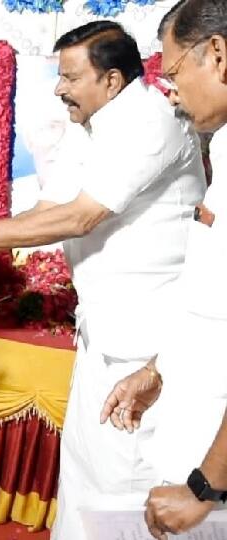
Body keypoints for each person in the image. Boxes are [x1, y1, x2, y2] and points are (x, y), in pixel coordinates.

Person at [0, 21, 206, 540]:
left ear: (111, 80)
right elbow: (50, 209)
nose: (58, 88)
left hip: (147, 346)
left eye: (69, 76)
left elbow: (82, 218)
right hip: (102, 335)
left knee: (127, 483)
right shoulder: (90, 124)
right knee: (84, 475)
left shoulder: (149, 119)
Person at [95, 1, 227, 537]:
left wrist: (206, 487)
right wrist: (159, 367)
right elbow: (210, 297)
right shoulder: (223, 147)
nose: (170, 91)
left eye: (172, 73)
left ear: (217, 55)